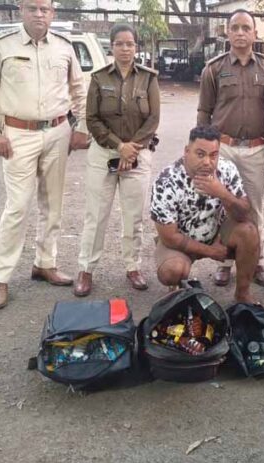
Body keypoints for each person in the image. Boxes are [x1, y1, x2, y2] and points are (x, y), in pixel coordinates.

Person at [0, 0, 89, 310]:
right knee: (17, 207)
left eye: (45, 9)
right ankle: (0, 278)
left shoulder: (64, 46)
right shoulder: (2, 44)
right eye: (33, 8)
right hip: (18, 134)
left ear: (53, 12)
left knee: (53, 204)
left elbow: (79, 89)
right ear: (21, 10)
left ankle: (44, 264)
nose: (39, 14)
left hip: (58, 131)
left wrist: (82, 127)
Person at [74, 24, 160, 297]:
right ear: (111, 46)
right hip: (104, 153)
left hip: (138, 153)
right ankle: (86, 269)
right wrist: (118, 146)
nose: (125, 48)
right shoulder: (99, 78)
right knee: (96, 215)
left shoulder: (148, 78)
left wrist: (131, 149)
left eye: (130, 44)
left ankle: (133, 266)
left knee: (134, 216)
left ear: (136, 47)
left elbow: (153, 119)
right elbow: (92, 118)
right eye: (120, 44)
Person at [197, 9, 264, 289]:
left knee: (253, 208)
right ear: (227, 33)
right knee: (224, 206)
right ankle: (224, 263)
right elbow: (204, 111)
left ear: (255, 33)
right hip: (224, 148)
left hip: (256, 149)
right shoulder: (214, 68)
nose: (241, 33)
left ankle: (257, 261)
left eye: (246, 28)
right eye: (235, 28)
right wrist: (202, 150)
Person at [151, 126, 260, 304]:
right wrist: (211, 252)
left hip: (217, 234)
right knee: (172, 271)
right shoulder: (166, 180)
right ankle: (177, 287)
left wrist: (222, 193)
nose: (207, 162)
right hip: (181, 240)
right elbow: (169, 237)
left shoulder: (226, 169)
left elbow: (244, 214)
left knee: (249, 232)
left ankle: (243, 294)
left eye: (213, 155)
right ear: (187, 151)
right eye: (200, 154)